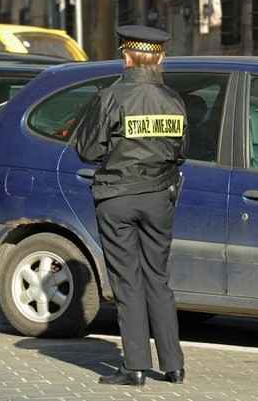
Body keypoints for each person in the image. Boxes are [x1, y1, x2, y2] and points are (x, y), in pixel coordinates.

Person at [73, 25, 188, 387]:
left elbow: (88, 150)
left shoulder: (110, 97)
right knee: (158, 278)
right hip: (159, 199)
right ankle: (174, 366)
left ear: (127, 56)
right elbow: (181, 153)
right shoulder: (174, 99)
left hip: (118, 197)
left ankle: (134, 366)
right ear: (160, 58)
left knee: (128, 282)